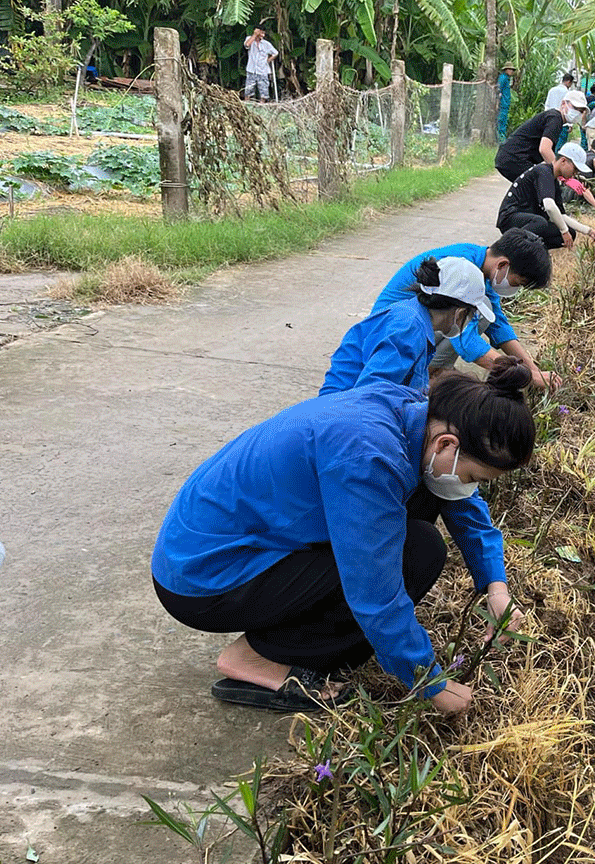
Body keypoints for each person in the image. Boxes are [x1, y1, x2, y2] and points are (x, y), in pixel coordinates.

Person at [151, 364, 535, 714]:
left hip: (232, 543)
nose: (470, 489)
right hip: (204, 577)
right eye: (475, 478)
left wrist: (495, 586)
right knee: (417, 553)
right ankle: (259, 657)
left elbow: (464, 507)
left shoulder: (416, 413)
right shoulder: (368, 458)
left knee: (422, 512)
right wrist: (430, 683)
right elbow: (375, 593)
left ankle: (282, 642)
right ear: (447, 445)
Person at [368, 229, 561, 389]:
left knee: (487, 315)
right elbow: (465, 339)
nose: (515, 288)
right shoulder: (462, 271)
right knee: (471, 317)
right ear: (503, 265)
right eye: (517, 282)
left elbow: (499, 324)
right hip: (388, 334)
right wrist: (523, 377)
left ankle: (430, 372)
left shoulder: (480, 263)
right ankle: (427, 376)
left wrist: (533, 369)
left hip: (408, 327)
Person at [322, 256, 487, 396]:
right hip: (342, 414)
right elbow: (371, 396)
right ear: (460, 313)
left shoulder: (415, 318)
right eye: (471, 315)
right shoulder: (408, 328)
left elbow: (406, 386)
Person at [497, 142, 595, 250]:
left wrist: (589, 231)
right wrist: (564, 231)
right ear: (563, 161)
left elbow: (561, 215)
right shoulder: (544, 171)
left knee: (570, 233)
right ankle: (507, 250)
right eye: (575, 169)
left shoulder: (554, 180)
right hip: (510, 217)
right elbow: (549, 206)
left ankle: (533, 252)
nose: (576, 173)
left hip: (527, 219)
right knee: (541, 223)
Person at [495, 90, 587, 182]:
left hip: (511, 157)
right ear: (563, 103)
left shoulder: (554, 118)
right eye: (575, 108)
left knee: (535, 187)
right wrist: (559, 174)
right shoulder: (555, 119)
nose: (577, 113)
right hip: (514, 158)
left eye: (581, 111)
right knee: (543, 185)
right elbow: (544, 149)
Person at [242, 27, 279, 103]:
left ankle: (262, 105)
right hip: (251, 69)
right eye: (261, 33)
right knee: (248, 90)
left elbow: (275, 53)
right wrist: (255, 35)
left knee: (264, 91)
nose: (263, 35)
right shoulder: (250, 39)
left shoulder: (266, 44)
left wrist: (268, 60)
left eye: (263, 33)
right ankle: (247, 105)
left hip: (262, 70)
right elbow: (247, 45)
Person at [497, 63, 516, 142]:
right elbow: (498, 90)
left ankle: (502, 139)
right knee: (501, 122)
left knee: (504, 121)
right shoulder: (503, 78)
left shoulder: (508, 79)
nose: (511, 71)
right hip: (502, 104)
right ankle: (501, 140)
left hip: (506, 104)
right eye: (510, 69)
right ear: (506, 70)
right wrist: (497, 103)